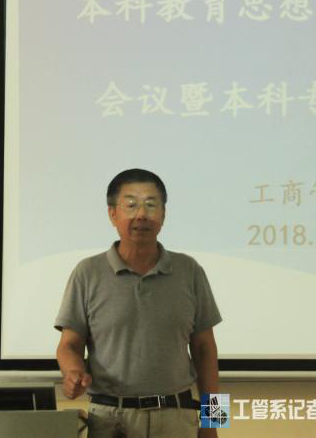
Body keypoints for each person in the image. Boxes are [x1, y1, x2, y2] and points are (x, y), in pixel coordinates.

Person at [55, 169, 222, 438]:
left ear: (164, 215)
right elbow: (69, 345)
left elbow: (206, 351)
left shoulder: (189, 270)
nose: (142, 215)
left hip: (177, 417)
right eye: (131, 205)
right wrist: (72, 371)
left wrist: (214, 422)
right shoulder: (88, 272)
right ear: (112, 214)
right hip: (110, 420)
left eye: (151, 205)